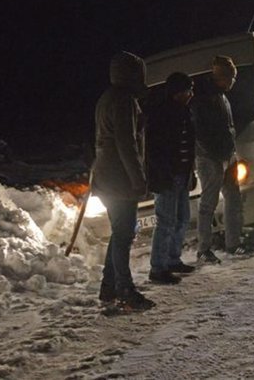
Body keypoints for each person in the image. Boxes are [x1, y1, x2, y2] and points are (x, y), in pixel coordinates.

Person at [92, 51, 155, 311]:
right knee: (123, 234)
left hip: (107, 177)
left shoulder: (106, 98)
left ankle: (109, 287)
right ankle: (124, 290)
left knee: (119, 232)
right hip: (120, 179)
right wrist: (138, 179)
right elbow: (126, 143)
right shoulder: (124, 100)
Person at [191, 55, 248, 264]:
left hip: (227, 156)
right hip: (210, 158)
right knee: (208, 204)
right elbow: (200, 131)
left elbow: (227, 128)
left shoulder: (221, 97)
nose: (233, 82)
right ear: (223, 77)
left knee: (233, 199)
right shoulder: (204, 98)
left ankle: (233, 243)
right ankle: (203, 249)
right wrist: (216, 154)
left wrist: (230, 153)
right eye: (231, 78)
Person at [145, 72, 197, 284]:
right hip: (167, 177)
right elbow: (155, 150)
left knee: (182, 218)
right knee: (165, 222)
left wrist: (190, 171)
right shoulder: (161, 114)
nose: (191, 94)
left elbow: (188, 144)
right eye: (187, 90)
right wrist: (163, 174)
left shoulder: (185, 112)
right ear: (178, 92)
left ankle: (173, 259)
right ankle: (158, 268)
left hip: (182, 175)